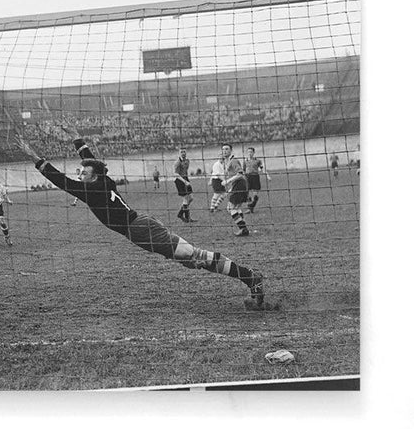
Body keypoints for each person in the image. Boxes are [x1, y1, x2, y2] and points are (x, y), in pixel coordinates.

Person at [14, 131, 270, 308]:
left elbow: (60, 179)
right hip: (141, 225)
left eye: (84, 173)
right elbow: (90, 160)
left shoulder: (90, 190)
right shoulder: (104, 180)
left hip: (139, 229)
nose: (80, 175)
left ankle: (250, 277)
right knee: (192, 260)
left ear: (93, 176)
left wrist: (35, 158)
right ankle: (249, 278)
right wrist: (77, 140)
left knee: (194, 256)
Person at [218, 144, 251, 237]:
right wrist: (231, 188)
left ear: (231, 150)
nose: (224, 151)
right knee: (236, 207)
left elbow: (240, 173)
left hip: (240, 184)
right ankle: (244, 228)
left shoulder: (234, 161)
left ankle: (243, 229)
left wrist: (227, 181)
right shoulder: (228, 162)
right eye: (223, 149)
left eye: (227, 149)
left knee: (231, 208)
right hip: (239, 185)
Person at [243, 147, 270, 213]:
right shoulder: (245, 161)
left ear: (254, 153)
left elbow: (262, 168)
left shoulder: (258, 161)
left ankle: (252, 206)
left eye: (251, 152)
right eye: (248, 152)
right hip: (247, 177)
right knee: (246, 193)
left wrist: (267, 175)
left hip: (255, 177)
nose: (249, 153)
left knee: (255, 195)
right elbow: (243, 170)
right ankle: (249, 208)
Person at [173, 148, 194, 222]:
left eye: (184, 151)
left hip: (185, 179)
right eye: (181, 152)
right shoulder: (177, 162)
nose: (183, 153)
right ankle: (187, 218)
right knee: (186, 198)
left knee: (191, 198)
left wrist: (186, 179)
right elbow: (175, 174)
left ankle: (180, 214)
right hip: (179, 180)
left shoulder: (187, 161)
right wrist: (184, 181)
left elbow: (185, 171)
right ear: (179, 153)